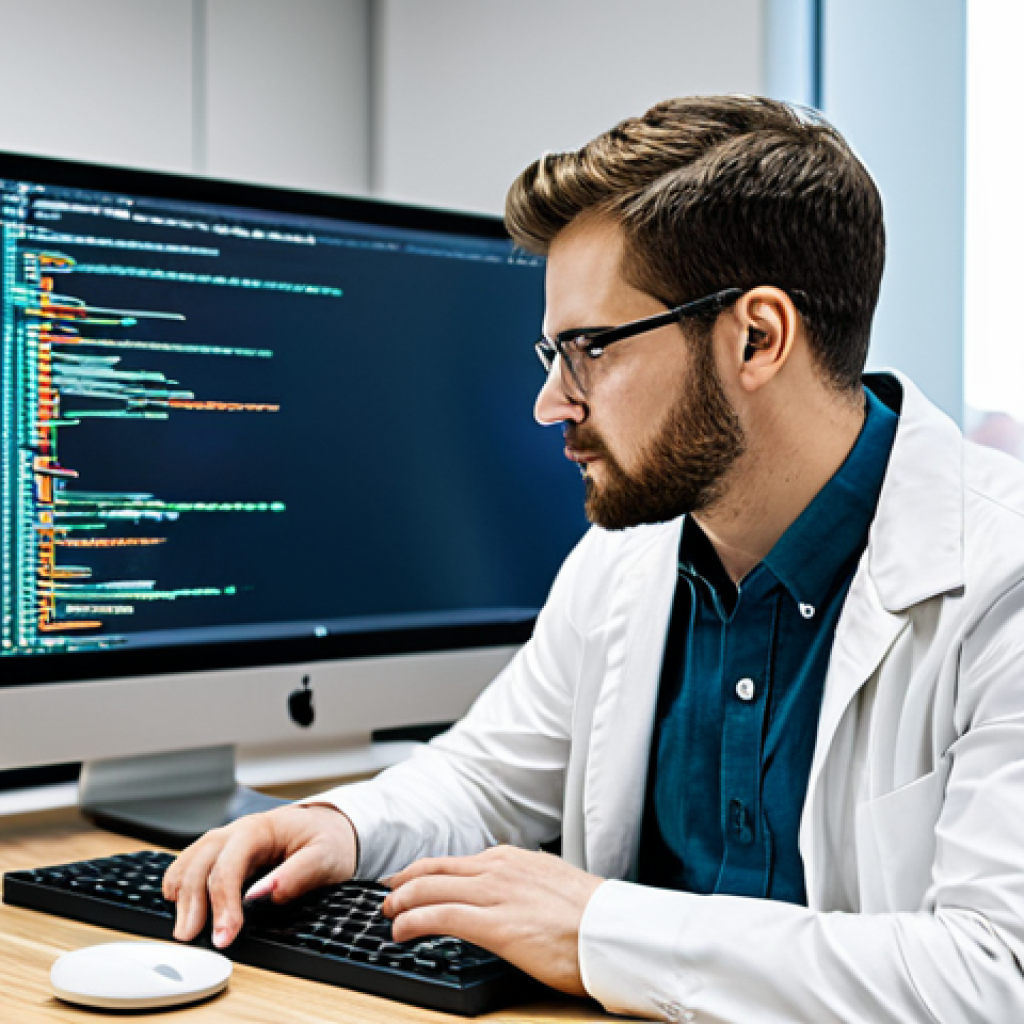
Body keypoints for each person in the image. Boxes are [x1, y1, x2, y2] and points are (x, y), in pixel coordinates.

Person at [164, 96, 1024, 1022]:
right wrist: (340, 825)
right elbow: (488, 777)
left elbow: (992, 975)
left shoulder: (998, 577)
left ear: (756, 337)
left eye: (589, 349)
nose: (550, 403)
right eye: (552, 352)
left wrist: (599, 932)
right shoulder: (632, 557)